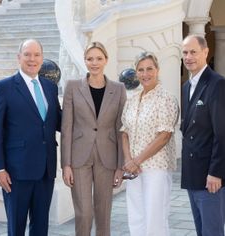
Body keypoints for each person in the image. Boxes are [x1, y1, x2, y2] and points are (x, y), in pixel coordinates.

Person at [0, 39, 61, 236]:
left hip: (46, 171)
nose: (32, 59)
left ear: (42, 58)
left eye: (36, 55)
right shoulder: (3, 88)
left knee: (41, 227)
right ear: (19, 57)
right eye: (27, 54)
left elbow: (58, 121)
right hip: (16, 172)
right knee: (16, 227)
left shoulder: (50, 87)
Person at [61, 41, 126, 236]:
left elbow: (121, 129)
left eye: (99, 58)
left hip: (108, 158)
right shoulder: (72, 87)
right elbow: (67, 127)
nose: (94, 63)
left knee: (104, 213)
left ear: (106, 60)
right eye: (90, 59)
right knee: (84, 213)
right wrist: (66, 164)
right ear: (85, 61)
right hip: (79, 157)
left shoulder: (119, 89)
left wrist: (120, 166)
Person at [121, 52, 179, 236]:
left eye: (149, 69)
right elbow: (124, 132)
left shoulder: (166, 98)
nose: (145, 74)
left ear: (157, 70)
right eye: (141, 70)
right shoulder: (132, 100)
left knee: (155, 218)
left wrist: (136, 160)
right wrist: (129, 161)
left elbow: (164, 136)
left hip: (157, 168)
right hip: (134, 169)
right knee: (136, 216)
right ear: (136, 72)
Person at [181, 35, 225, 236]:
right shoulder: (187, 87)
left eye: (193, 52)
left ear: (205, 52)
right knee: (201, 231)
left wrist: (216, 172)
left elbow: (222, 133)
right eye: (185, 53)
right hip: (193, 173)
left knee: (212, 231)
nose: (188, 57)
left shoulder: (217, 84)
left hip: (210, 176)